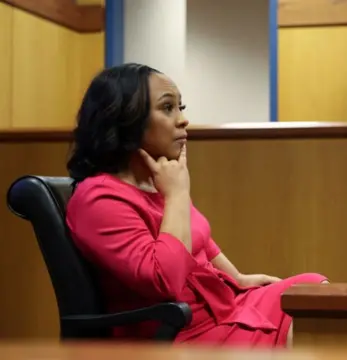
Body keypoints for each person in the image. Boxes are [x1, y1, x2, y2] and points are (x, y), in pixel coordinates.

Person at [65, 63, 328, 348]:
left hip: (220, 310)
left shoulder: (157, 180)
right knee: (307, 324)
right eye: (168, 108)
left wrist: (237, 277)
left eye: (181, 107)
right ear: (125, 120)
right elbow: (164, 280)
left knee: (311, 291)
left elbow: (201, 240)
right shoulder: (99, 199)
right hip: (181, 333)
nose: (183, 120)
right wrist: (177, 195)